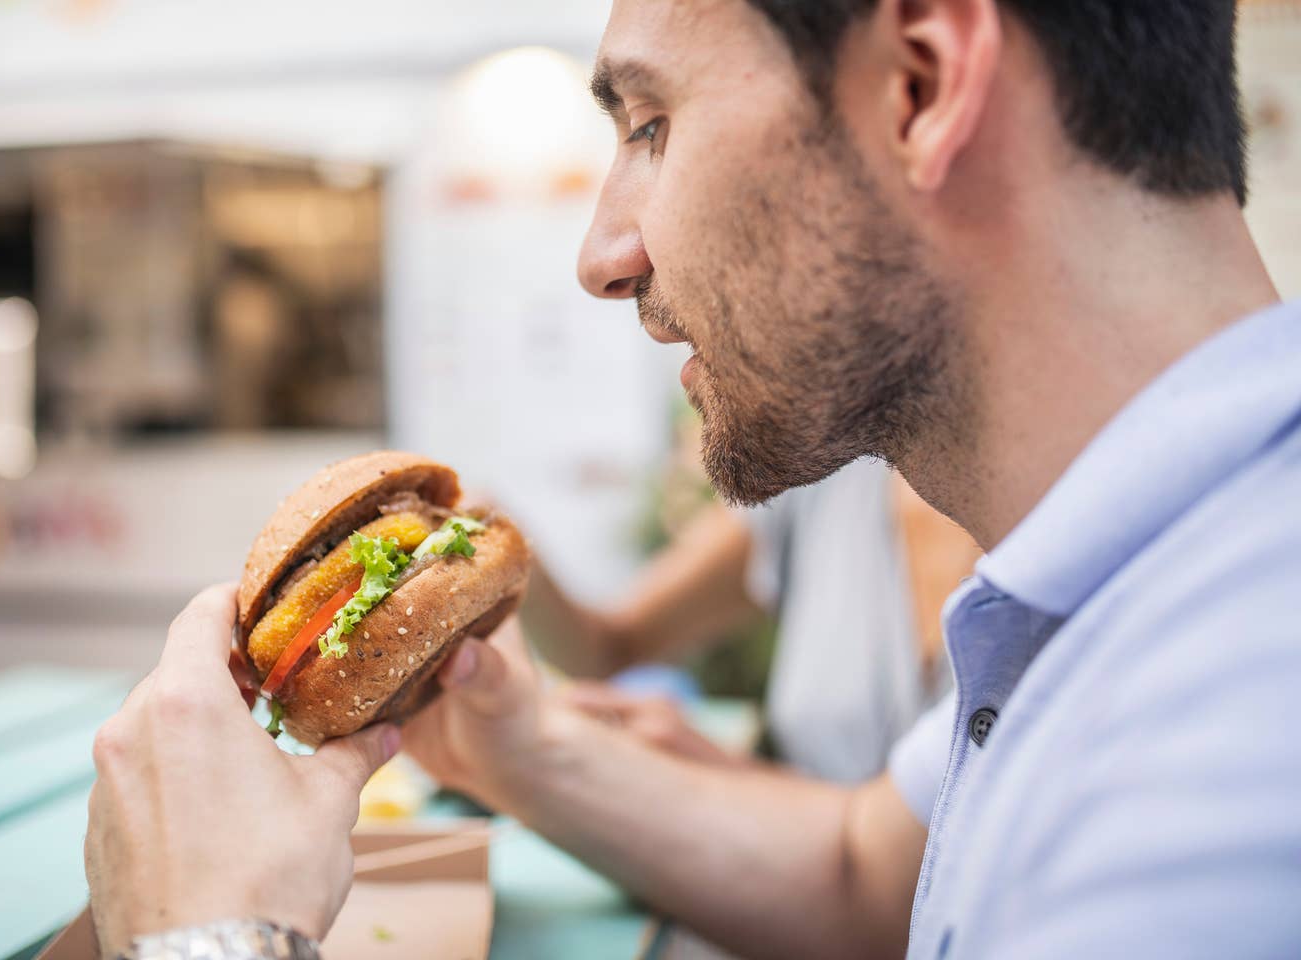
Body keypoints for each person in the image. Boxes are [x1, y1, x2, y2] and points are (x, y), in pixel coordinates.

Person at [84, 2, 1301, 958]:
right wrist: (521, 748)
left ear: (920, 86)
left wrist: (211, 935)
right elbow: (866, 880)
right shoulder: (1130, 574)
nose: (603, 257)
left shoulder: (1228, 761)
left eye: (651, 125)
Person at [530, 459, 976, 781]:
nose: (664, 332)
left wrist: (725, 778)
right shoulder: (827, 477)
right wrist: (501, 551)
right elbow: (612, 646)